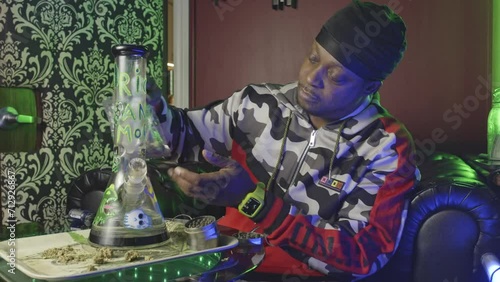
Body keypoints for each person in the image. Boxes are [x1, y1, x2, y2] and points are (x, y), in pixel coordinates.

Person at [151, 0, 420, 280]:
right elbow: (184, 137)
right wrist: (156, 113)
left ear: (370, 87)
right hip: (217, 264)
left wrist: (252, 200)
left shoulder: (386, 147)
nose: (311, 78)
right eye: (313, 58)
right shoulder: (257, 102)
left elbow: (362, 256)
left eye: (335, 76)